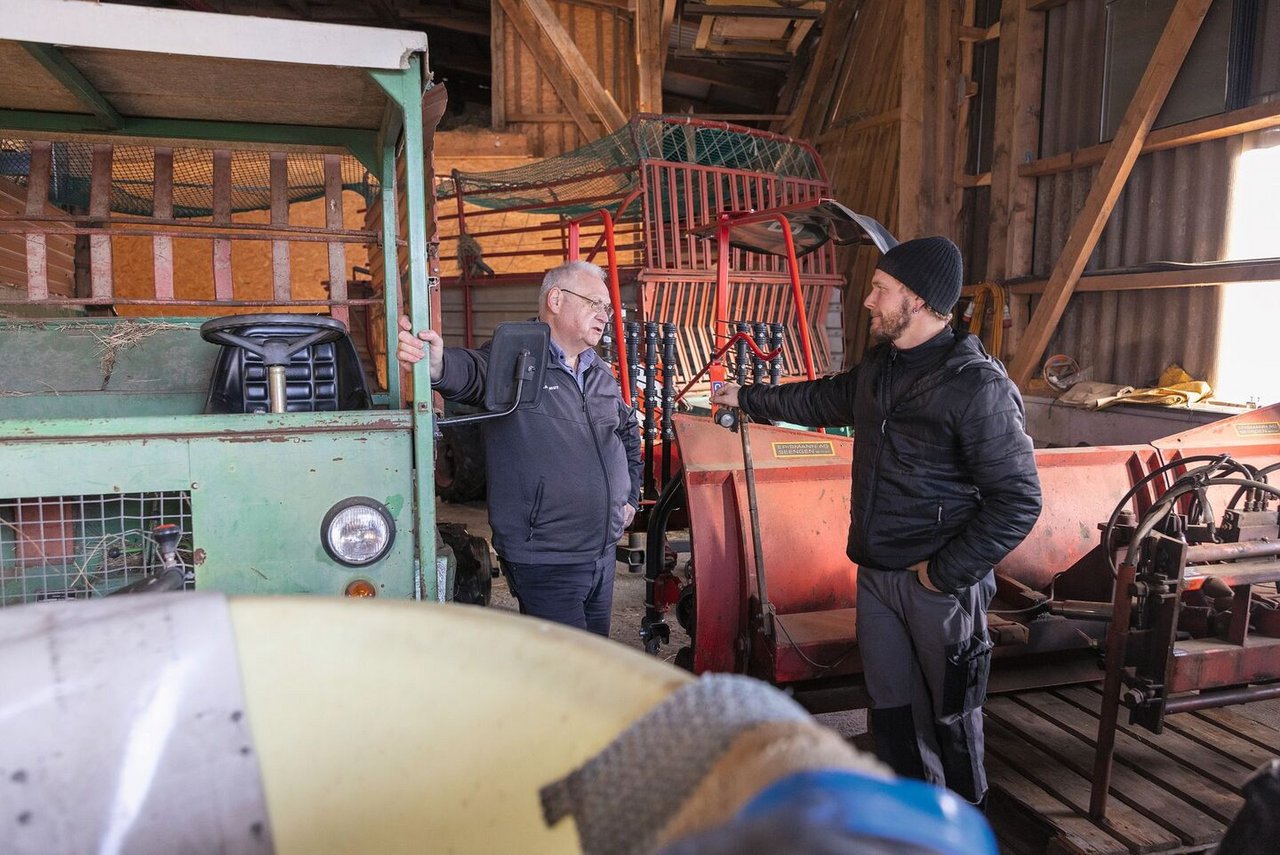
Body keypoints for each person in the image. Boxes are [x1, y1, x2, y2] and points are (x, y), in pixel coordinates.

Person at [710, 236, 1042, 808]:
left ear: (916, 300)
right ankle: (911, 826)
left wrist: (943, 574)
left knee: (952, 716)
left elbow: (1018, 500)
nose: (868, 300)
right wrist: (746, 396)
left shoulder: (977, 386)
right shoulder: (882, 368)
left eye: (881, 289)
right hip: (877, 576)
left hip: (937, 584)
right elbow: (819, 401)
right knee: (891, 715)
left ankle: (965, 832)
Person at [397, 260, 641, 636]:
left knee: (596, 663)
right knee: (565, 673)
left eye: (608, 308)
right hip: (547, 557)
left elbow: (626, 433)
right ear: (556, 300)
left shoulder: (599, 371)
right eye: (596, 303)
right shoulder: (517, 359)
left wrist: (630, 498)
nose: (605, 315)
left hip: (602, 553)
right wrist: (439, 365)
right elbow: (474, 373)